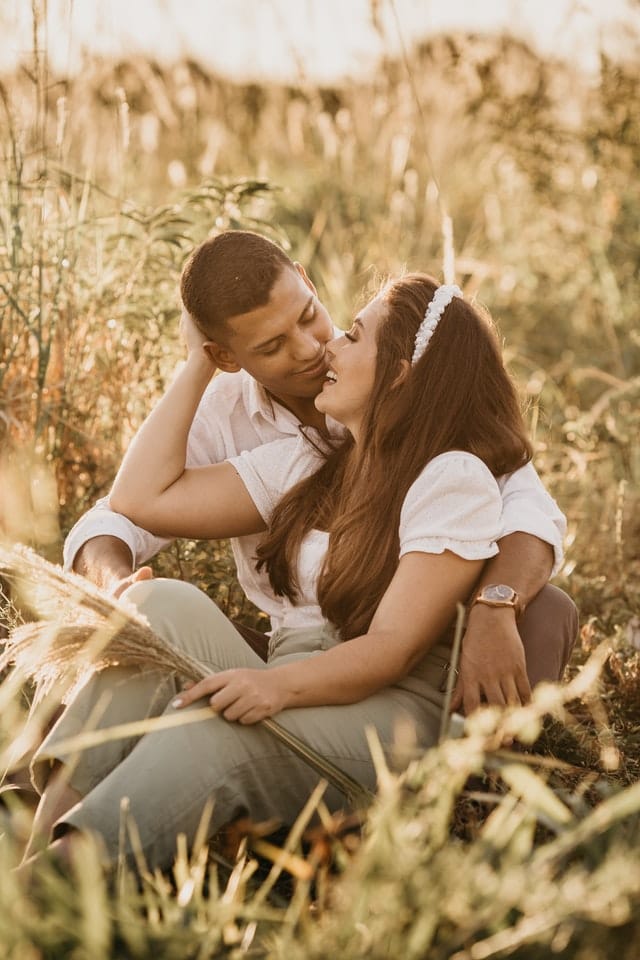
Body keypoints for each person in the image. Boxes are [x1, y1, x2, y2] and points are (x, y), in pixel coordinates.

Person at [27, 275, 569, 871]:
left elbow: (391, 648)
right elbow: (137, 500)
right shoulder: (315, 458)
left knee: (218, 728)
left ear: (399, 372)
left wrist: (498, 604)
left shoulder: (451, 476)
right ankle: (30, 853)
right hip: (296, 673)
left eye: (350, 335)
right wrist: (197, 363)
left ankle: (53, 891)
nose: (325, 348)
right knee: (155, 612)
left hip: (388, 716)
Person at [64, 231, 576, 715]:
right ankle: (43, 784)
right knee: (143, 629)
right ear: (225, 355)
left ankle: (483, 778)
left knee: (548, 608)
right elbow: (122, 511)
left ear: (307, 281)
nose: (309, 349)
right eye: (270, 347)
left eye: (309, 316)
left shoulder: (404, 366)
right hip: (295, 644)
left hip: (425, 640)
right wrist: (113, 587)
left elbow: (529, 511)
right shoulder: (226, 419)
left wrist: (495, 606)